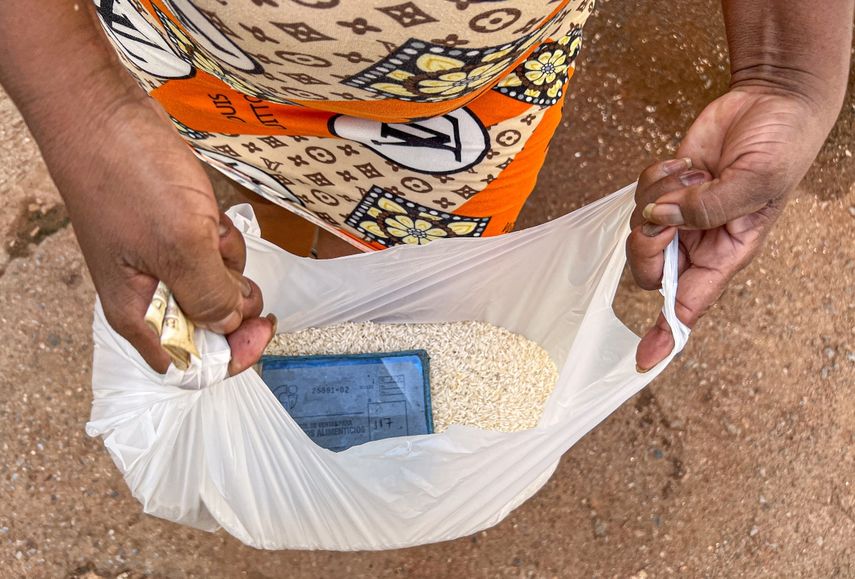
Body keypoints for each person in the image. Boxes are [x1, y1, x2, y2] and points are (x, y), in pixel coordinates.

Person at [0, 1, 851, 376]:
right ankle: (301, 267)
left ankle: (371, 296)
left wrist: (786, 65)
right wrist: (92, 115)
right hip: (193, 59)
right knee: (235, 201)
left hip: (467, 112)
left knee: (416, 233)